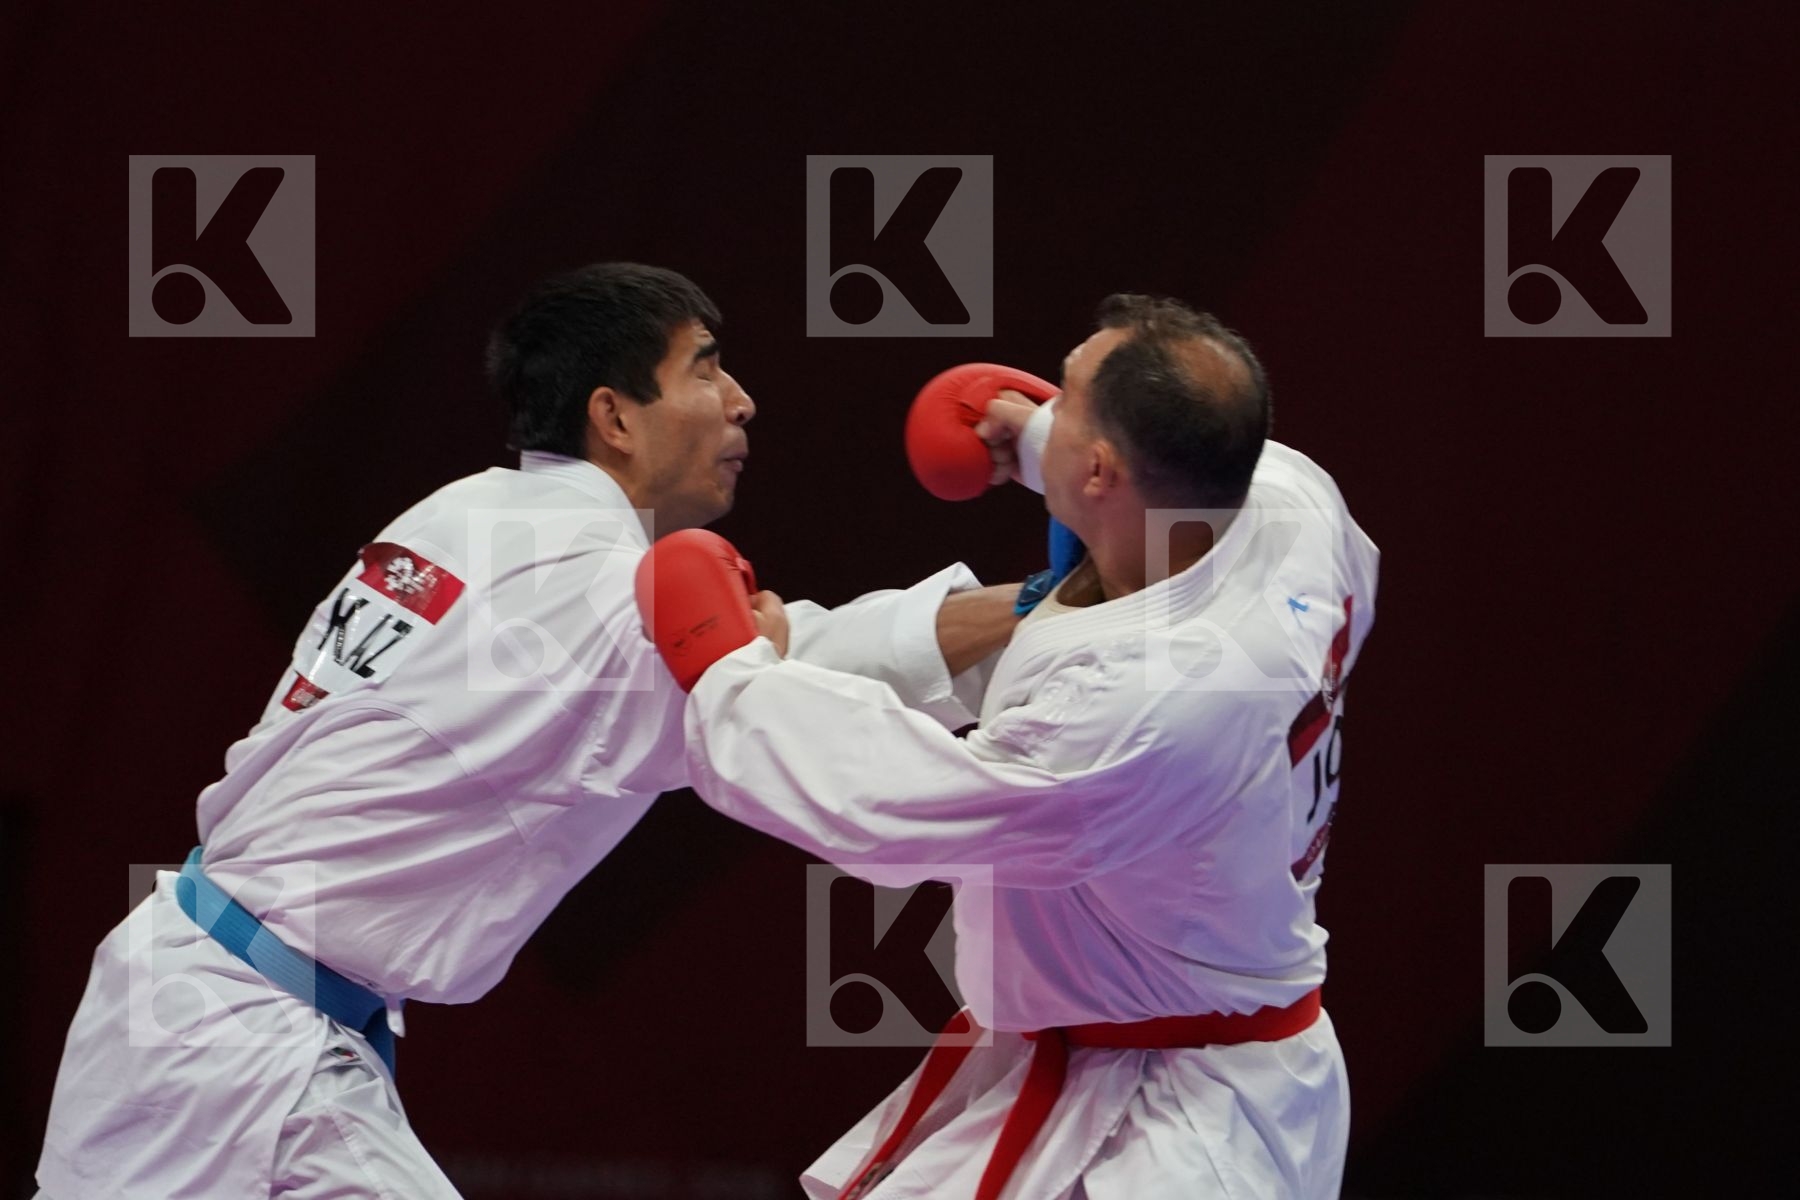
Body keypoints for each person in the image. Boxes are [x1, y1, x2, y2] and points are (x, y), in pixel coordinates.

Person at [34, 263, 1021, 1199]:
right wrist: (1064, 616)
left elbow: (776, 653)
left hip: (189, 996)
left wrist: (1040, 610)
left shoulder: (469, 511)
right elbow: (784, 689)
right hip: (240, 1048)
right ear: (615, 415)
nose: (741, 400)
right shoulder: (584, 586)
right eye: (707, 365)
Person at [665, 294, 1380, 1198]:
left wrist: (730, 676)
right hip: (1176, 1040)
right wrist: (1040, 445)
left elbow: (900, 803)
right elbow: (1140, 488)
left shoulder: (1144, 702)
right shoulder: (1287, 500)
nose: (1041, 401)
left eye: (1065, 394)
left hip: (1169, 1130)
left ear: (1103, 470)